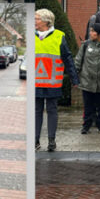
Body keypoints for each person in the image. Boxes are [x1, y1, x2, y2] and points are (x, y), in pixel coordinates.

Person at [35, 9, 79, 151]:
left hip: (52, 82)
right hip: (35, 82)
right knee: (37, 111)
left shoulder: (59, 37)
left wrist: (74, 78)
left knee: (52, 110)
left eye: (37, 19)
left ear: (46, 22)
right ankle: (35, 140)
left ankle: (51, 141)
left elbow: (68, 58)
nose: (34, 21)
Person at [75, 21, 100, 135]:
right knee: (88, 106)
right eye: (90, 30)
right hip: (87, 82)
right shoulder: (85, 45)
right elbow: (78, 61)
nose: (90, 33)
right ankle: (86, 125)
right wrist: (75, 77)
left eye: (93, 31)